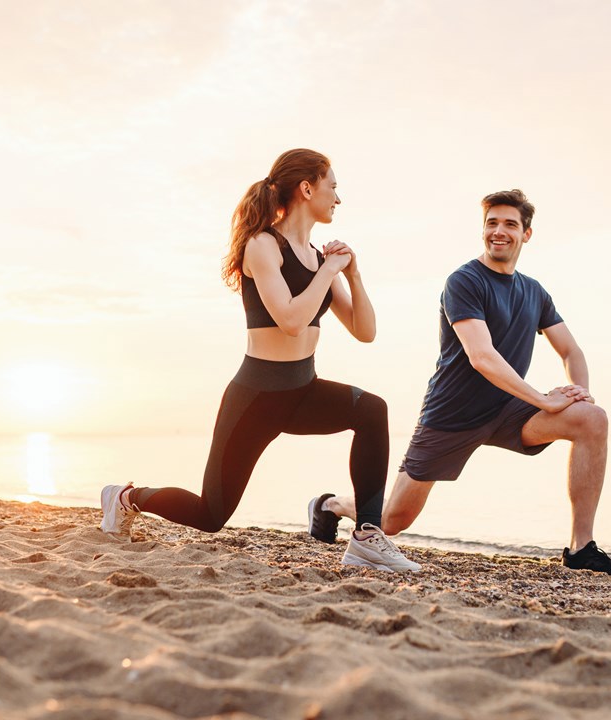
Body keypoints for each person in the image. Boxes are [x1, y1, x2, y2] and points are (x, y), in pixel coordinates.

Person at [99, 148, 419, 572]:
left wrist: (353, 275)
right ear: (307, 188)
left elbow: (365, 331)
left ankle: (366, 536)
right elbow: (289, 319)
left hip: (303, 391)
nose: (338, 199)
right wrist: (328, 272)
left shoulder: (320, 259)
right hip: (256, 399)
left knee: (372, 410)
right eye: (333, 187)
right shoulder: (262, 245)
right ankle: (124, 497)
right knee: (211, 515)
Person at [309, 189, 611, 578]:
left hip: (510, 409)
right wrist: (544, 400)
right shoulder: (464, 281)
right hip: (453, 414)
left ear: (526, 234)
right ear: (483, 230)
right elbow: (482, 358)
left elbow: (571, 350)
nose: (499, 231)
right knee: (393, 520)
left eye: (510, 224)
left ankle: (582, 548)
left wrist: (580, 392)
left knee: (592, 418)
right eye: (492, 223)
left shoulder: (534, 292)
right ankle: (330, 505)